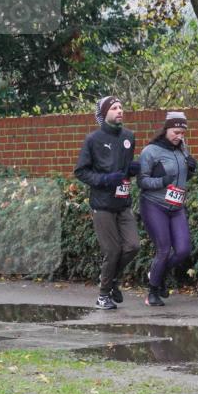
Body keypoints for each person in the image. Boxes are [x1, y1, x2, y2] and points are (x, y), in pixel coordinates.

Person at [74, 95, 140, 310]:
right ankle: (103, 295)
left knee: (132, 246)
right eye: (114, 108)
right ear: (104, 114)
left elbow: (125, 167)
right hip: (102, 204)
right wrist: (103, 179)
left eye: (121, 107)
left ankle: (112, 280)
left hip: (123, 202)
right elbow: (81, 171)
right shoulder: (93, 139)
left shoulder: (129, 136)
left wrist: (132, 169)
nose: (120, 111)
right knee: (112, 250)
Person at [136, 111, 198, 307]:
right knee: (163, 249)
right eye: (176, 132)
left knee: (183, 250)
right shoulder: (150, 151)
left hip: (176, 206)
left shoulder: (182, 149)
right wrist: (162, 181)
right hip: (154, 204)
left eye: (182, 133)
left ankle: (158, 274)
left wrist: (191, 169)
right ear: (166, 129)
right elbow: (142, 181)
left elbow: (181, 179)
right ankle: (152, 292)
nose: (179, 136)